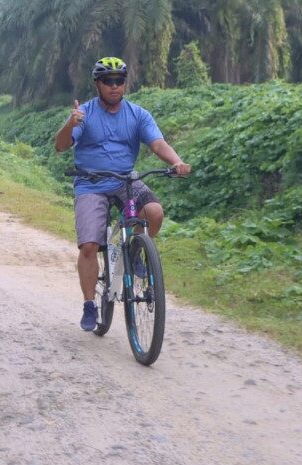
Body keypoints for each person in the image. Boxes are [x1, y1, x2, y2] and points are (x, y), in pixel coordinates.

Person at [54, 57, 191, 332]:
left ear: (125, 83)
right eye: (108, 81)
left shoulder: (138, 114)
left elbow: (157, 143)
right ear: (97, 84)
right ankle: (90, 305)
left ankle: (138, 252)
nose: (114, 87)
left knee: (153, 212)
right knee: (90, 246)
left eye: (119, 81)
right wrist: (70, 123)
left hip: (125, 180)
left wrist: (176, 162)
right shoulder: (85, 114)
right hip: (90, 183)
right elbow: (60, 146)